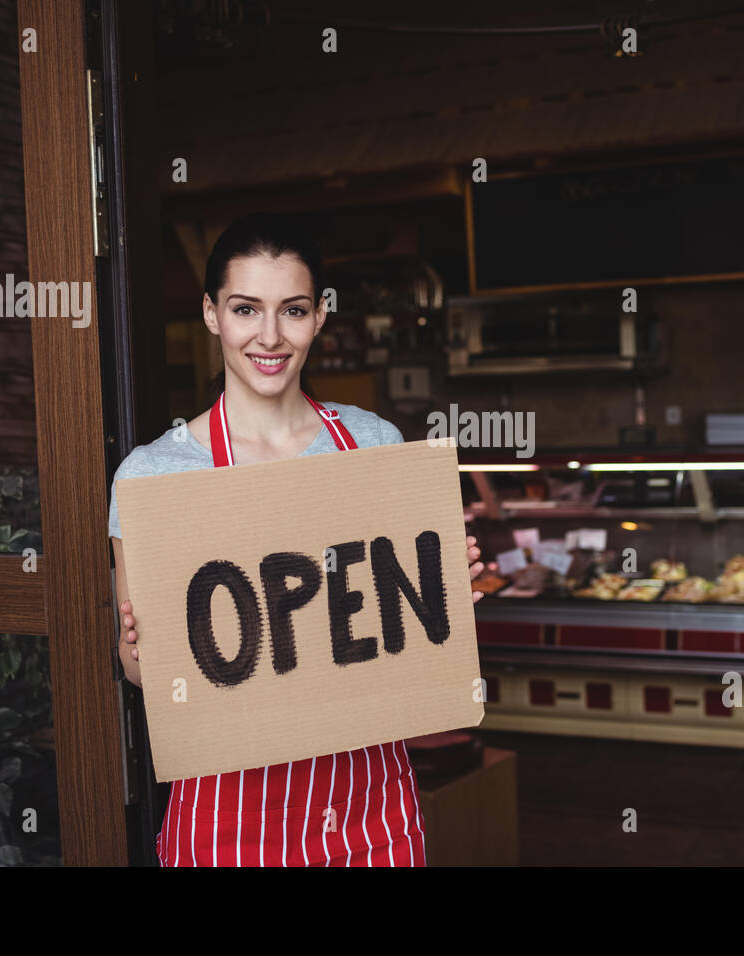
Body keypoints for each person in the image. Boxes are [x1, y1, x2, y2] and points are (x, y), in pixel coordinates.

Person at [107, 213, 485, 866]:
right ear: (211, 313)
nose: (270, 336)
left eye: (294, 310)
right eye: (246, 309)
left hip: (369, 813)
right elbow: (141, 671)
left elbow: (400, 645)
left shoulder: (373, 445)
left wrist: (442, 601)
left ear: (319, 317)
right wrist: (137, 649)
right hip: (226, 816)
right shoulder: (152, 477)